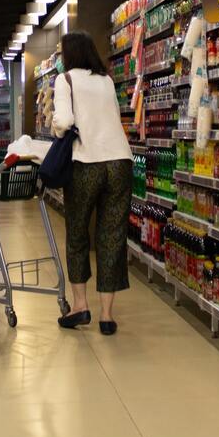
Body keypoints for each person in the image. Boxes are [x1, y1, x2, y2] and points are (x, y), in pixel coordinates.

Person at [50, 31, 133, 335]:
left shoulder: (66, 80)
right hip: (120, 162)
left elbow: (63, 121)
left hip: (86, 164)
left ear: (70, 54)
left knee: (77, 235)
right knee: (112, 236)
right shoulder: (107, 80)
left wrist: (55, 128)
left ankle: (80, 306)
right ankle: (107, 316)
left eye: (61, 53)